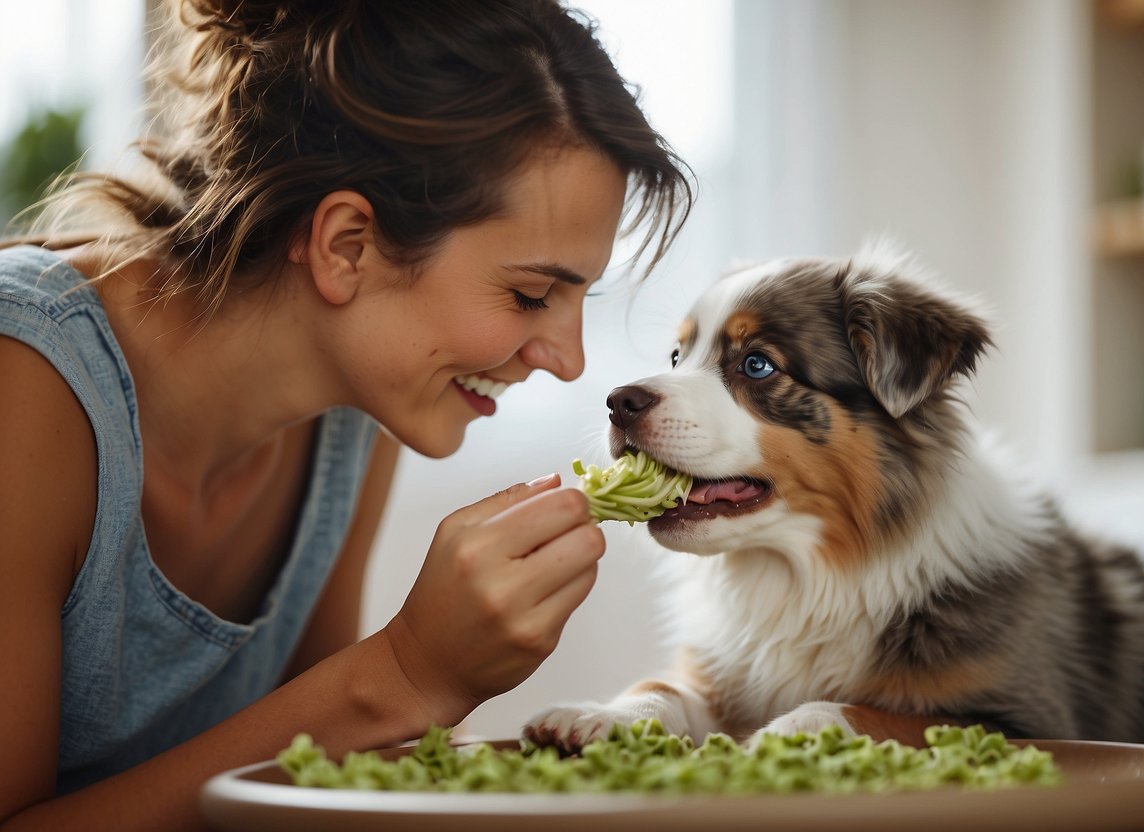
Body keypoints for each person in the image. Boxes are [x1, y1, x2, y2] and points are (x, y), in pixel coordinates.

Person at [0, 1, 691, 828]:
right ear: (346, 246)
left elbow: (304, 783)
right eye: (531, 294)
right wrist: (407, 674)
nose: (567, 359)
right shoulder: (27, 384)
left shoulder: (353, 417)